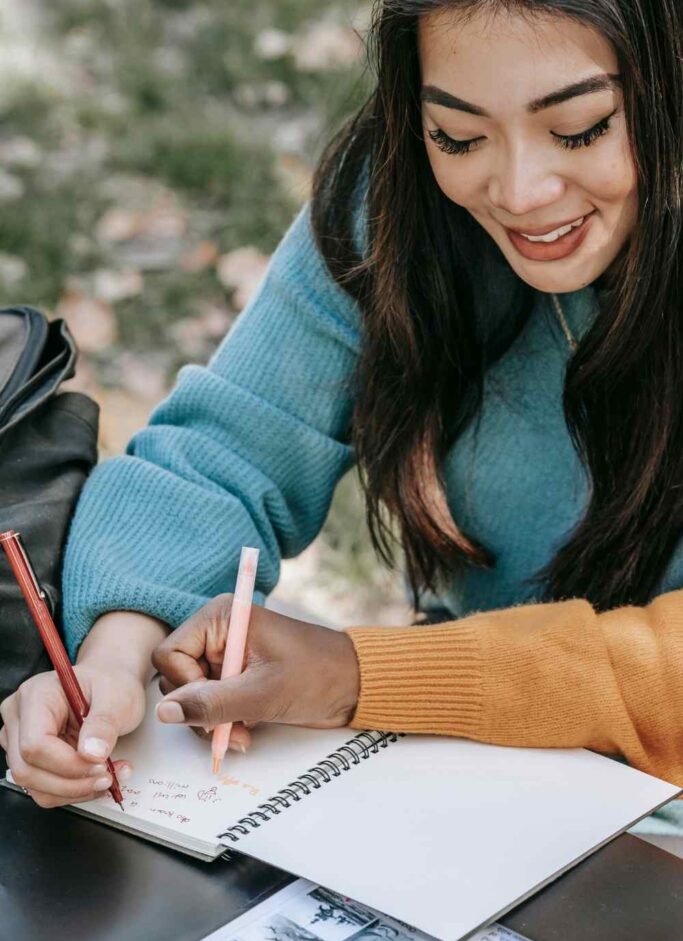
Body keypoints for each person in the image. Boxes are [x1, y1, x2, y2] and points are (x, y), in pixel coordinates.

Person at [2, 0, 683, 854]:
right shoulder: (393, 205)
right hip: (475, 779)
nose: (517, 193)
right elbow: (230, 446)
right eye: (458, 136)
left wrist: (361, 677)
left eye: (580, 129)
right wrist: (113, 658)